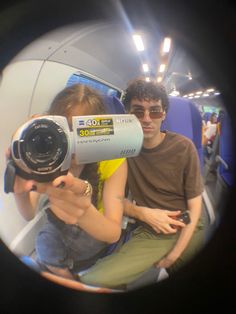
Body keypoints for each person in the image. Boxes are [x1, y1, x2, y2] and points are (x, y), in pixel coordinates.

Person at [78, 78, 205, 289]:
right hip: (150, 231)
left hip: (187, 224)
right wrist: (144, 213)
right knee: (93, 281)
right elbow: (114, 197)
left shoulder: (184, 147)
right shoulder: (120, 148)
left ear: (164, 113)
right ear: (128, 114)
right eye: (138, 111)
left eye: (155, 111)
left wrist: (174, 255)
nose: (147, 119)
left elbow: (195, 206)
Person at [11, 84, 127, 280]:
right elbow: (29, 213)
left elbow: (113, 232)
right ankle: (63, 272)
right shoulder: (45, 156)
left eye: (81, 131)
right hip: (57, 229)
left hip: (95, 228)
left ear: (97, 132)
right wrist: (19, 191)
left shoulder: (113, 159)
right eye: (63, 130)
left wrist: (83, 213)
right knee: (44, 244)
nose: (71, 142)